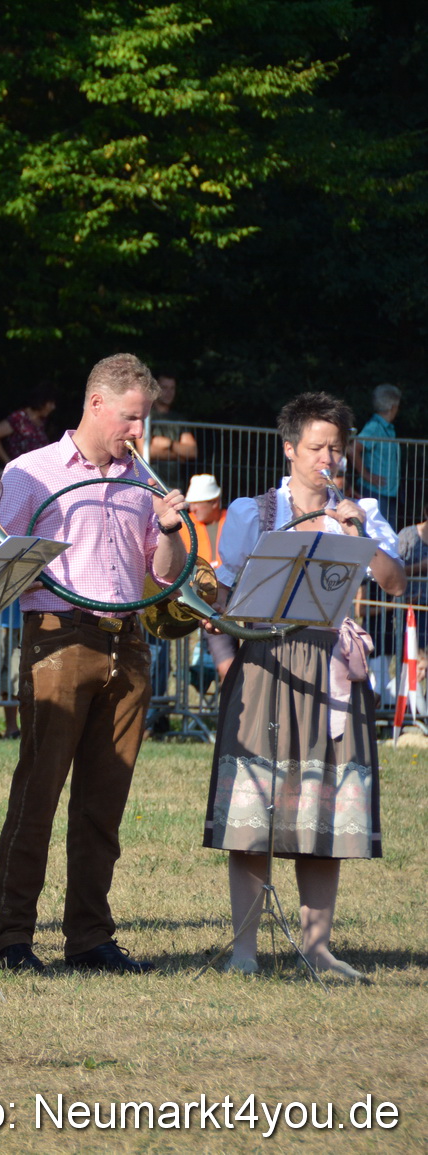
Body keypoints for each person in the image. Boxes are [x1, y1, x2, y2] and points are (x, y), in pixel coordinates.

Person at [0, 353, 188, 975]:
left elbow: (165, 577)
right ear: (96, 404)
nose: (139, 431)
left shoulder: (144, 480)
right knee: (39, 791)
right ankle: (14, 937)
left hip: (127, 639)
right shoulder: (33, 472)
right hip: (59, 635)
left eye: (145, 419)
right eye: (131, 417)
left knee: (105, 800)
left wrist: (173, 531)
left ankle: (90, 938)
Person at [204, 392, 404, 981]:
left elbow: (392, 583)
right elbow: (224, 597)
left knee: (323, 810)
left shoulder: (361, 508)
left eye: (336, 449)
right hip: (266, 665)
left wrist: (360, 535)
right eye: (317, 447)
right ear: (290, 448)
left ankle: (317, 949)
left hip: (333, 668)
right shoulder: (251, 512)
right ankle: (244, 951)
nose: (328, 459)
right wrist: (226, 666)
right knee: (253, 812)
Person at [184, 473, 237, 680]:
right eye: (191, 504)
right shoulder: (185, 526)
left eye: (198, 504)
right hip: (211, 606)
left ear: (215, 502)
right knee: (228, 667)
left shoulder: (234, 521)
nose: (193, 509)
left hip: (238, 601)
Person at [349, 383, 402, 529]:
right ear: (393, 406)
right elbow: (353, 450)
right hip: (375, 492)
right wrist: (367, 475)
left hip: (386, 492)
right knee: (378, 533)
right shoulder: (374, 427)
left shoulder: (387, 428)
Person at [146, 373, 196, 492]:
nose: (169, 392)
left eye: (172, 388)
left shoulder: (179, 419)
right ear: (156, 388)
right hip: (151, 482)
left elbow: (192, 451)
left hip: (175, 484)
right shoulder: (146, 416)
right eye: (165, 388)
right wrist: (180, 455)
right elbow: (145, 452)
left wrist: (169, 444)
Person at [0, 384, 56, 465]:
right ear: (41, 402)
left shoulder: (43, 421)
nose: (53, 407)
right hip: (22, 469)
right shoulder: (19, 418)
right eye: (50, 403)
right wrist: (7, 461)